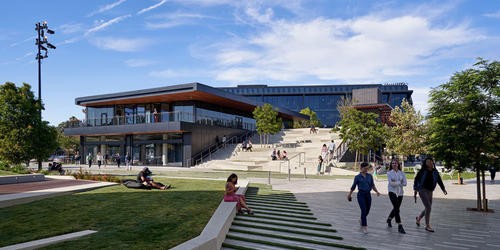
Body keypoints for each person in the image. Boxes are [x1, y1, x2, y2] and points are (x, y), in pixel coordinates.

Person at [414, 157, 447, 233]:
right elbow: (416, 179)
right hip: (422, 190)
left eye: (430, 161)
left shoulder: (435, 171)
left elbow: (439, 180)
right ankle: (427, 225)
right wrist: (415, 189)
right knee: (428, 207)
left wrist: (443, 189)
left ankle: (418, 218)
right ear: (425, 163)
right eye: (427, 162)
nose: (429, 163)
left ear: (433, 162)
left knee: (427, 207)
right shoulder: (423, 171)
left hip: (430, 191)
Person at [347, 162, 381, 234]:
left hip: (368, 194)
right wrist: (349, 195)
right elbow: (353, 187)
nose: (366, 170)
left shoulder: (369, 176)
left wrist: (377, 192)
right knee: (363, 210)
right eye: (365, 168)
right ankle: (364, 226)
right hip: (361, 195)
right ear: (361, 168)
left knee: (367, 210)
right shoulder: (357, 177)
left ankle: (361, 219)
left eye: (367, 168)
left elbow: (372, 185)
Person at [386, 158, 407, 234]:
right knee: (397, 209)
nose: (394, 164)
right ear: (391, 165)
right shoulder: (389, 173)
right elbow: (391, 184)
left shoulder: (402, 173)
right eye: (393, 163)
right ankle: (400, 225)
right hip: (392, 192)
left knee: (396, 208)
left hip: (400, 193)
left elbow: (405, 183)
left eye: (396, 163)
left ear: (398, 164)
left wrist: (396, 182)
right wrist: (399, 182)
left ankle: (389, 219)